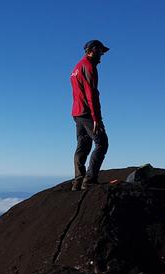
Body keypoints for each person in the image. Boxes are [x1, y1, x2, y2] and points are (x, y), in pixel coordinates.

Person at [70, 40, 110, 191]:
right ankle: (89, 180)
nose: (102, 55)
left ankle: (78, 181)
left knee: (83, 145)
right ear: (93, 50)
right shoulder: (89, 66)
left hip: (77, 112)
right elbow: (91, 94)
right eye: (101, 51)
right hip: (87, 113)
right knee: (102, 142)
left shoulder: (76, 68)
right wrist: (96, 118)